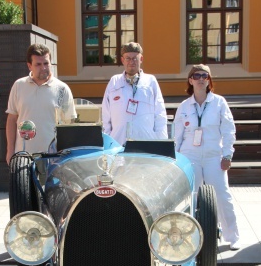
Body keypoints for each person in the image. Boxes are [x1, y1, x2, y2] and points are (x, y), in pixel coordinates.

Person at [173, 65, 241, 250]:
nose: (201, 79)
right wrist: (176, 158)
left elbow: (228, 131)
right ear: (191, 80)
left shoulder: (219, 102)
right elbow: (177, 135)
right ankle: (189, 235)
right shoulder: (184, 106)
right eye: (197, 76)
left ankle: (232, 236)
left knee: (221, 195)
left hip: (213, 156)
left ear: (209, 80)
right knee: (190, 195)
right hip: (190, 155)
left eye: (205, 76)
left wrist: (227, 154)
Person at [6, 44, 76, 164]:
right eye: (38, 64)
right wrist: (10, 150)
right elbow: (12, 119)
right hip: (23, 157)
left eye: (46, 63)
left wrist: (67, 155)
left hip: (53, 157)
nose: (43, 68)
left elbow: (70, 124)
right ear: (29, 66)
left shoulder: (62, 89)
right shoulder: (19, 85)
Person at [102, 42, 167, 145]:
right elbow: (105, 116)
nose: (131, 62)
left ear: (141, 59)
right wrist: (108, 141)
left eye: (135, 58)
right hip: (118, 144)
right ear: (122, 60)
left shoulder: (151, 81)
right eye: (128, 58)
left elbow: (160, 114)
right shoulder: (114, 82)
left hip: (146, 145)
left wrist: (161, 144)